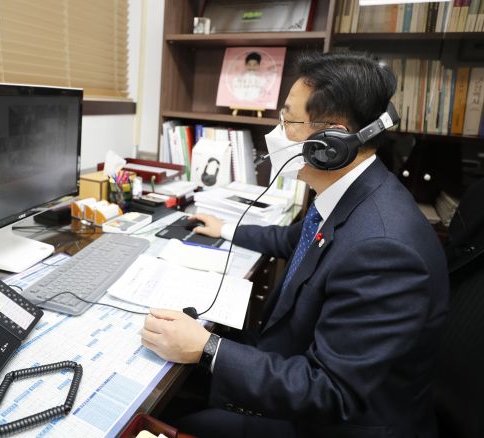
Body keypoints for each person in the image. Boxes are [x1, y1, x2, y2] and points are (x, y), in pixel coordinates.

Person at [141, 52, 449, 438]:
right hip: (297, 370)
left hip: (337, 423)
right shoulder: (352, 192)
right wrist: (226, 229)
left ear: (331, 141)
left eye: (288, 121)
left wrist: (206, 347)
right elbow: (296, 238)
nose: (277, 132)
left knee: (174, 419)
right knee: (184, 392)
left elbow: (331, 391)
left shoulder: (383, 249)